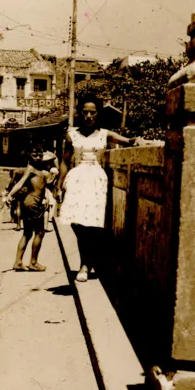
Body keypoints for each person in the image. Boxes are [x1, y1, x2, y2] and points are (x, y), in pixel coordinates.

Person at [57, 94, 136, 282]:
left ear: (97, 114)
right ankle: (89, 259)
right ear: (79, 113)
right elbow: (65, 161)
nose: (89, 116)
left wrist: (137, 140)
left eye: (93, 113)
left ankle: (85, 264)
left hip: (96, 180)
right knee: (76, 223)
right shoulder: (71, 134)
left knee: (91, 225)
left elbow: (128, 141)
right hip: (76, 179)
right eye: (85, 112)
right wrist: (59, 186)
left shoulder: (105, 134)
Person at [5, 145, 57, 272]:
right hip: (32, 203)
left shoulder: (40, 169)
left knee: (27, 233)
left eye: (40, 155)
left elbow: (45, 184)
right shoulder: (31, 168)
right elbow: (20, 183)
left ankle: (18, 262)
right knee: (39, 232)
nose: (38, 157)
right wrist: (10, 194)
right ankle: (33, 262)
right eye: (35, 155)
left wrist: (54, 175)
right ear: (29, 156)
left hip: (33, 202)